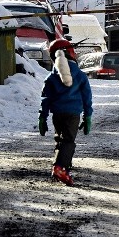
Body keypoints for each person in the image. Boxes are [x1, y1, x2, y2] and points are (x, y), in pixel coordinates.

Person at [39, 39, 93, 186]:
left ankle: (62, 167)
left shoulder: (51, 77)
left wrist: (42, 116)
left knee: (60, 140)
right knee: (68, 141)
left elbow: (46, 98)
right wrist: (88, 116)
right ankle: (60, 167)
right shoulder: (80, 75)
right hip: (72, 114)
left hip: (57, 114)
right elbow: (87, 97)